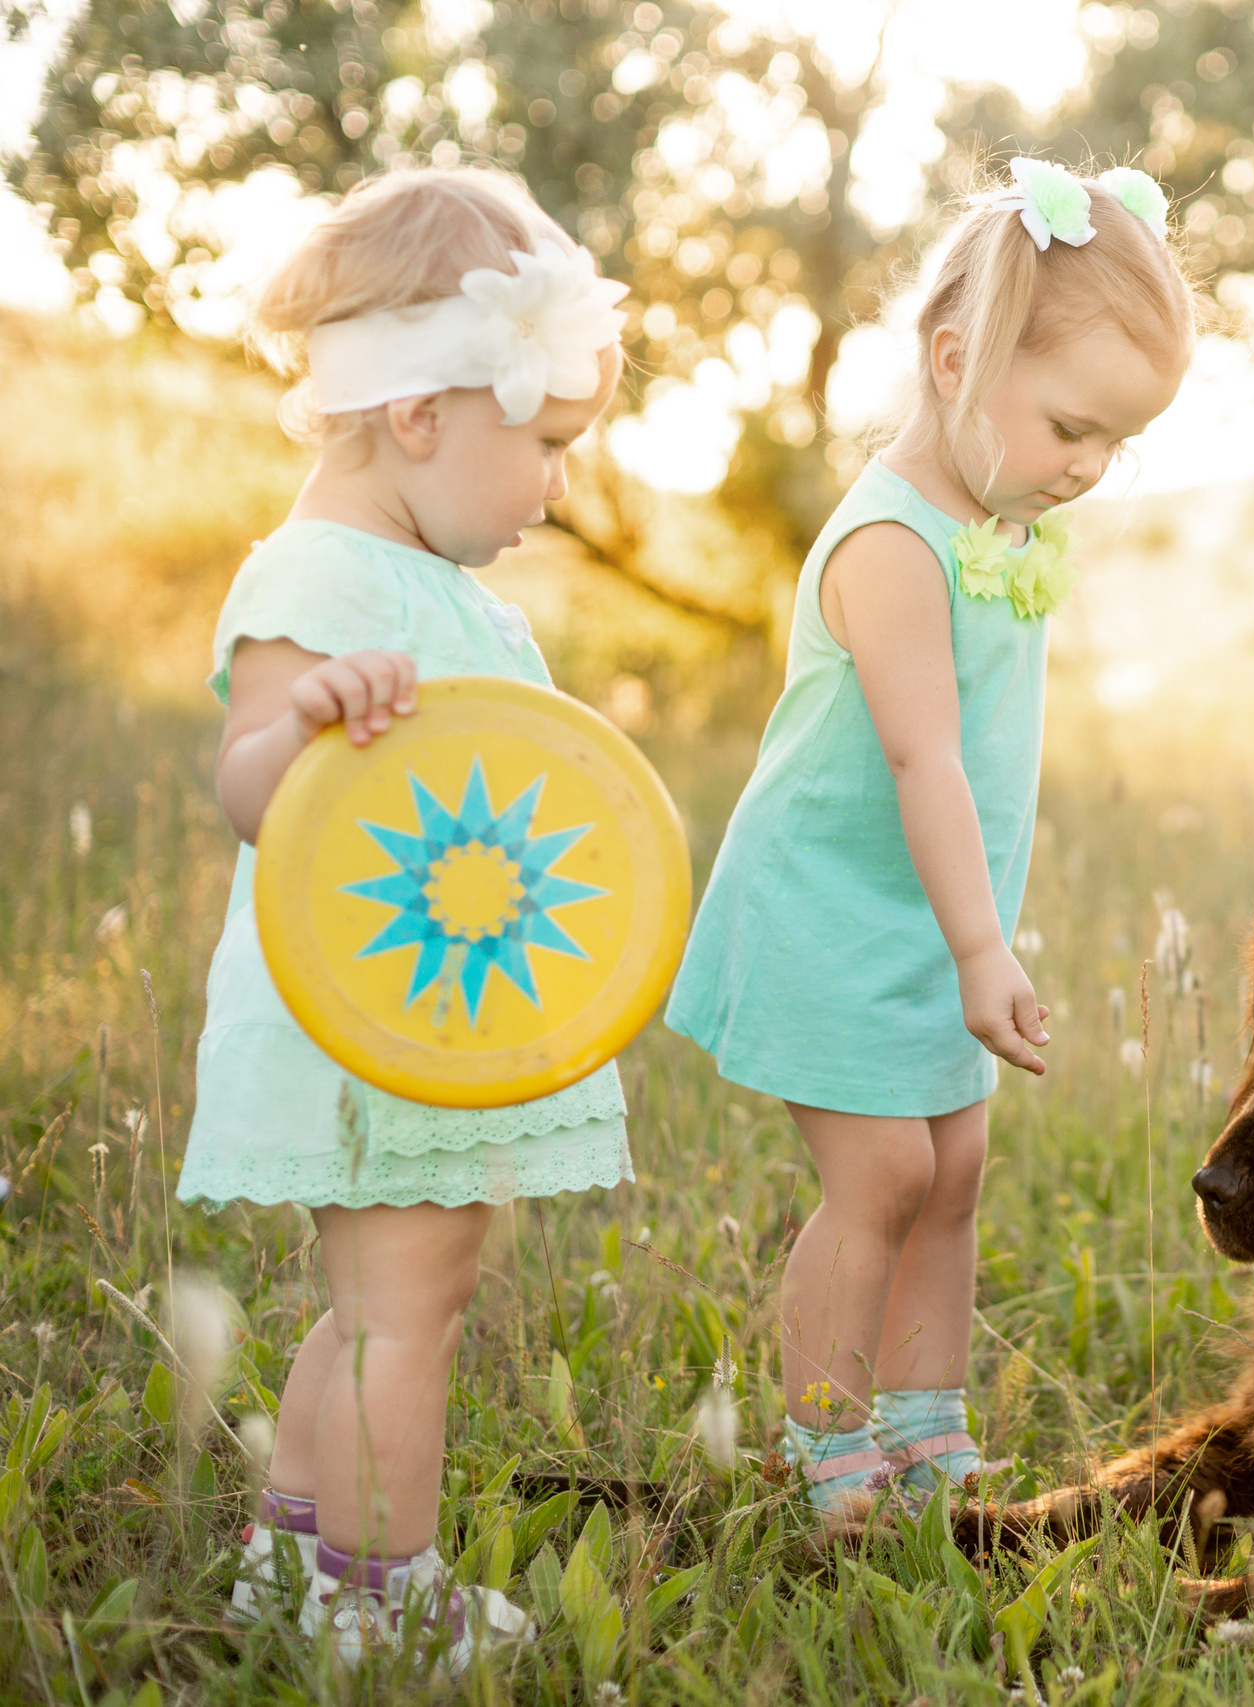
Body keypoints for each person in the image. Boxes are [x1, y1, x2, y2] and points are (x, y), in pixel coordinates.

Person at [668, 159, 1195, 1508]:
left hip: (927, 909)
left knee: (953, 1166)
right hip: (834, 908)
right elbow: (924, 759)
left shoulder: (994, 523)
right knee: (886, 1171)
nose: (1089, 468)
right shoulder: (893, 544)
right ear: (956, 362)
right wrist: (980, 946)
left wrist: (968, 933)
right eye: (1071, 427)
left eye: (1118, 445)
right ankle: (825, 1436)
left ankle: (924, 1423)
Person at [173, 167, 631, 1665]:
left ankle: (293, 1556)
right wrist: (306, 722)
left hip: (433, 1006)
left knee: (388, 1298)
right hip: (365, 1012)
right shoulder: (318, 574)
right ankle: (378, 1591)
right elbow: (249, 783)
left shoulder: (445, 589)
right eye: (546, 444)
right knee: (404, 1315)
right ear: (423, 414)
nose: (556, 485)